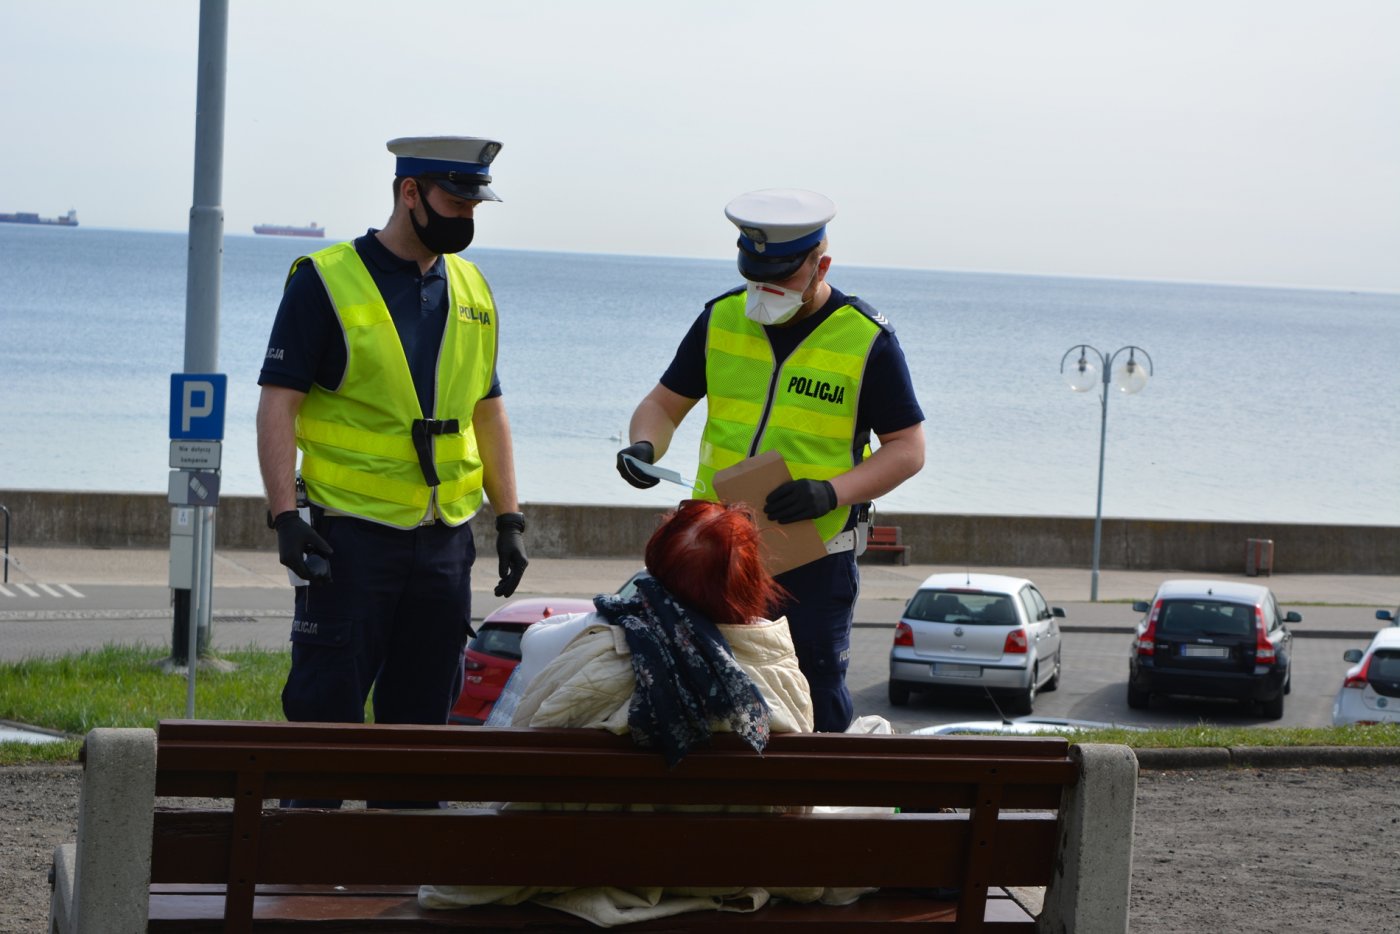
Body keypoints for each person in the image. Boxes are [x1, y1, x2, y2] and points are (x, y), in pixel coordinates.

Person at [420, 500, 880, 925]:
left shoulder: (578, 646)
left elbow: (519, 768)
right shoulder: (778, 670)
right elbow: (793, 805)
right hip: (726, 871)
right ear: (751, 584)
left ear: (654, 568)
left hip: (581, 865)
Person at [256, 136, 529, 779]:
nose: (467, 218)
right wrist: (284, 517)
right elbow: (278, 406)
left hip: (444, 542)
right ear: (410, 193)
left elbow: (487, 412)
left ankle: (406, 872)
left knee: (422, 731)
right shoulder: (324, 281)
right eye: (455, 202)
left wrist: (510, 518)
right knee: (326, 719)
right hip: (348, 539)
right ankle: (312, 869)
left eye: (474, 206)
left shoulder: (472, 288)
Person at [616, 188, 926, 733]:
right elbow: (662, 405)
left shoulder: (866, 339)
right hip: (714, 553)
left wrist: (831, 491)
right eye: (754, 278)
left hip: (811, 560)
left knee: (809, 698)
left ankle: (816, 813)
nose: (763, 293)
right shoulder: (720, 318)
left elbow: (908, 449)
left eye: (779, 281)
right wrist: (646, 445)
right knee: (700, 690)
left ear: (820, 264)